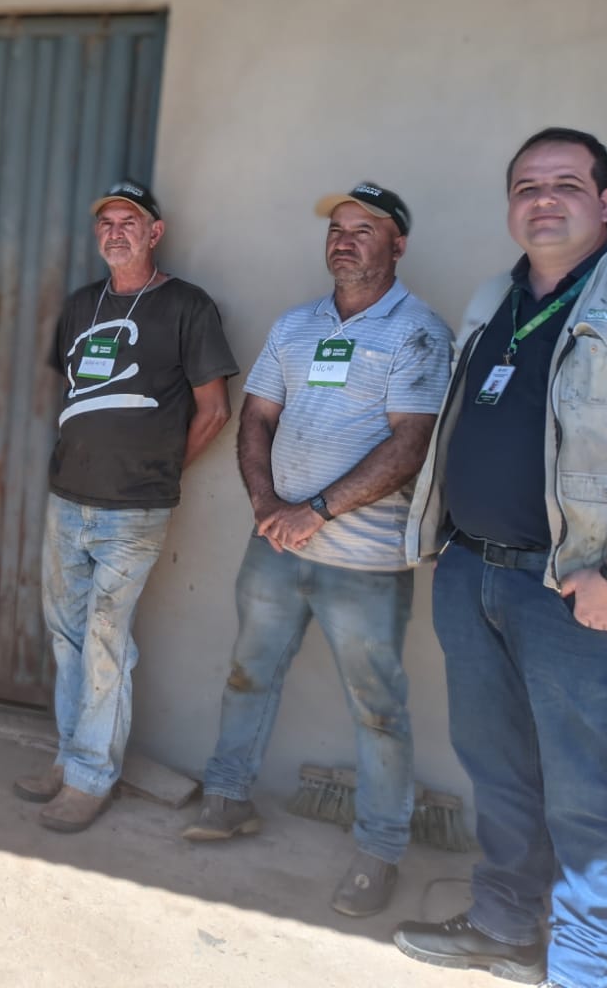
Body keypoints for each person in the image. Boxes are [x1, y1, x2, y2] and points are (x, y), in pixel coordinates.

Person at [181, 184, 451, 917]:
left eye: (365, 229)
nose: (345, 239)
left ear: (398, 245)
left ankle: (380, 850)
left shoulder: (419, 332)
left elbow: (411, 444)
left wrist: (317, 511)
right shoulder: (296, 325)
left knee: (378, 708)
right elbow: (256, 418)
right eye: (337, 228)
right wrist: (268, 507)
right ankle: (228, 798)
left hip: (364, 564)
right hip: (275, 545)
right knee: (248, 674)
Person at [394, 128, 607, 988]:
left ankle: (588, 965)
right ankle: (505, 926)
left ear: (606, 203)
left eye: (567, 184)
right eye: (527, 186)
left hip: (576, 592)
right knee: (499, 772)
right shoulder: (499, 297)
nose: (544, 199)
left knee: (589, 788)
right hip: (474, 573)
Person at [13, 180, 236, 833]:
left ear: (154, 233)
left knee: (105, 641)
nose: (115, 232)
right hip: (67, 499)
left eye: (129, 221)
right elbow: (70, 394)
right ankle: (69, 757)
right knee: (67, 638)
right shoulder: (81, 306)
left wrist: (158, 472)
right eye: (106, 222)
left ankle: (90, 778)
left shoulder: (187, 306)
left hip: (133, 512)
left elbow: (215, 410)